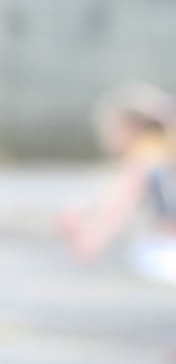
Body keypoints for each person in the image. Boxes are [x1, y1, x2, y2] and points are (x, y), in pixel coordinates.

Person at [61, 82, 176, 283]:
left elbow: (121, 201)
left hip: (167, 253)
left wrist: (92, 235)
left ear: (131, 127)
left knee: (139, 254)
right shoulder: (161, 151)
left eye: (112, 130)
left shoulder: (148, 154)